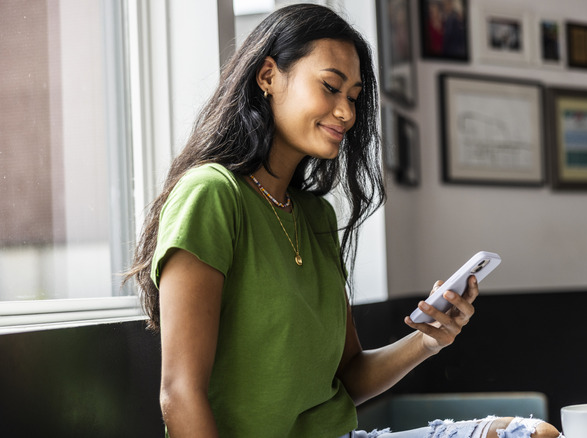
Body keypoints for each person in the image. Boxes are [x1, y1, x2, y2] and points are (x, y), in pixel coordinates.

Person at [126, 4, 562, 438]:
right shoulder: (211, 194)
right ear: (267, 77)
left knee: (531, 434)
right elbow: (179, 394)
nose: (347, 113)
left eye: (352, 97)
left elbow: (348, 378)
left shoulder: (315, 215)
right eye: (330, 88)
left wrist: (427, 340)